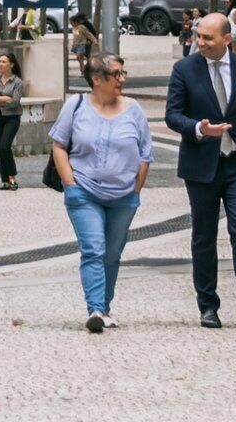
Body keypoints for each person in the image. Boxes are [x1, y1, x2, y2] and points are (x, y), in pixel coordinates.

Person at [163, 9, 236, 329]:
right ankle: (207, 306)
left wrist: (233, 131)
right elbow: (172, 115)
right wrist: (199, 128)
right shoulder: (184, 69)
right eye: (198, 36)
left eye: (208, 37)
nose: (201, 42)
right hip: (201, 165)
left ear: (227, 38)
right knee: (204, 236)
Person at [48, 50, 155, 331]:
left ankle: (105, 306)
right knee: (94, 249)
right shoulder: (76, 105)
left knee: (113, 253)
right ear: (97, 79)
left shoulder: (134, 109)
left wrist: (136, 190)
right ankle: (95, 309)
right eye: (116, 74)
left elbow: (145, 153)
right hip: (84, 192)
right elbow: (59, 144)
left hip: (123, 196)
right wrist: (70, 183)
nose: (122, 79)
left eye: (123, 73)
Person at [0, 47, 29, 190]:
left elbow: (15, 102)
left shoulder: (17, 82)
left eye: (4, 62)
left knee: (5, 146)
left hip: (12, 117)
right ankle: (4, 181)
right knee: (0, 149)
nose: (0, 64)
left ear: (11, 64)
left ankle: (12, 178)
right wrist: (3, 98)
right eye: (0, 62)